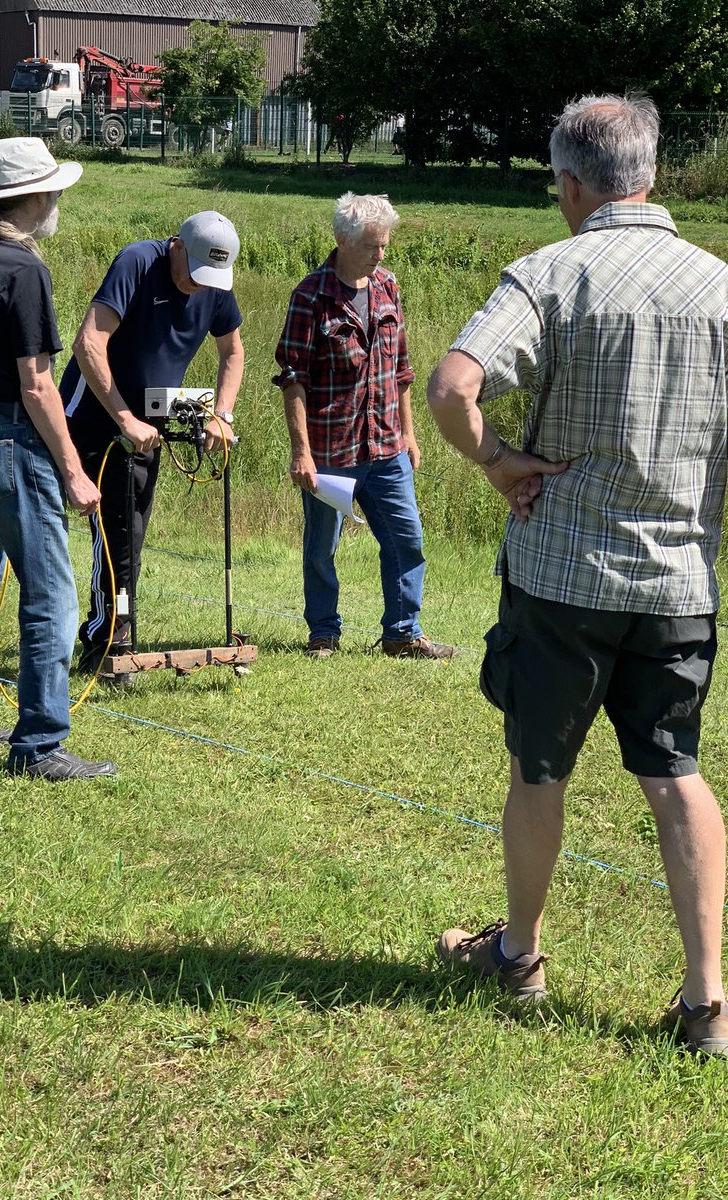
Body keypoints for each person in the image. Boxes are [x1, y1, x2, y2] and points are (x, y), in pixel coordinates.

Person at [428, 94, 728, 1055]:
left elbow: (452, 387)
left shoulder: (550, 275)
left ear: (568, 183)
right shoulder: (721, 287)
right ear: (653, 172)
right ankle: (707, 1003)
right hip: (679, 584)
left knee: (539, 769)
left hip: (562, 578)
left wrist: (496, 460)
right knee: (677, 775)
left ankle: (519, 957)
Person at [0, 137, 117, 782]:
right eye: (53, 190)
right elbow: (38, 384)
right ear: (32, 198)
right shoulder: (23, 270)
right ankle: (39, 744)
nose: (58, 200)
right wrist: (72, 469)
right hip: (11, 441)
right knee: (50, 592)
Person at [274, 191, 455, 660]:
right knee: (322, 547)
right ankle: (323, 634)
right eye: (372, 245)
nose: (380, 254)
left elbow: (401, 369)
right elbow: (293, 379)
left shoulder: (388, 286)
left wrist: (409, 434)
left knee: (406, 539)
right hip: (330, 451)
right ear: (342, 240)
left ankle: (402, 633)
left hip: (388, 446)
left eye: (384, 245)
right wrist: (301, 452)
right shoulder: (310, 296)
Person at [60, 211, 244, 669]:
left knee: (128, 534)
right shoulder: (138, 263)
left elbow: (232, 351)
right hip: (88, 418)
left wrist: (222, 415)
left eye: (211, 278)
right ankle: (102, 640)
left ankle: (111, 633)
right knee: (100, 532)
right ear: (177, 246)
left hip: (146, 431)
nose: (200, 285)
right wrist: (123, 417)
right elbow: (89, 343)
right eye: (195, 273)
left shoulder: (215, 282)